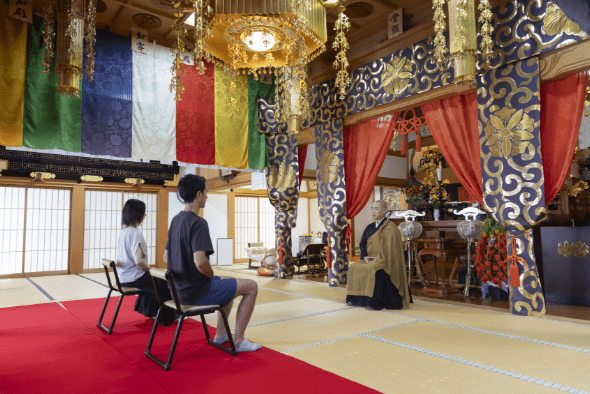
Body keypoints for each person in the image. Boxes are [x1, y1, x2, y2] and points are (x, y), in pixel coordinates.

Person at [164, 174, 262, 352]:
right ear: (199, 194)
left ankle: (221, 335)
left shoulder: (176, 220)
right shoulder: (198, 222)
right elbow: (201, 263)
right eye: (206, 193)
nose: (207, 197)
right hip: (196, 293)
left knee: (228, 283)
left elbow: (165, 257)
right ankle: (238, 341)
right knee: (252, 286)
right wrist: (210, 274)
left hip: (178, 291)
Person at [116, 199, 175, 325]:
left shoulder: (123, 232)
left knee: (153, 280)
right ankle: (169, 316)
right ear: (137, 214)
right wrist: (151, 270)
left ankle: (150, 311)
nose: (145, 215)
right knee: (164, 282)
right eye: (144, 212)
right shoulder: (136, 233)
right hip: (134, 277)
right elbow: (139, 261)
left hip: (122, 277)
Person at [346, 200, 410, 310]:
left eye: (376, 209)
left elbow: (393, 250)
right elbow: (362, 244)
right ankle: (354, 299)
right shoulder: (369, 227)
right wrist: (365, 256)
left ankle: (373, 302)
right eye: (372, 209)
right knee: (353, 267)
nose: (373, 211)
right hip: (369, 259)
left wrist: (379, 258)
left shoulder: (391, 228)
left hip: (384, 260)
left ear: (384, 210)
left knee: (373, 270)